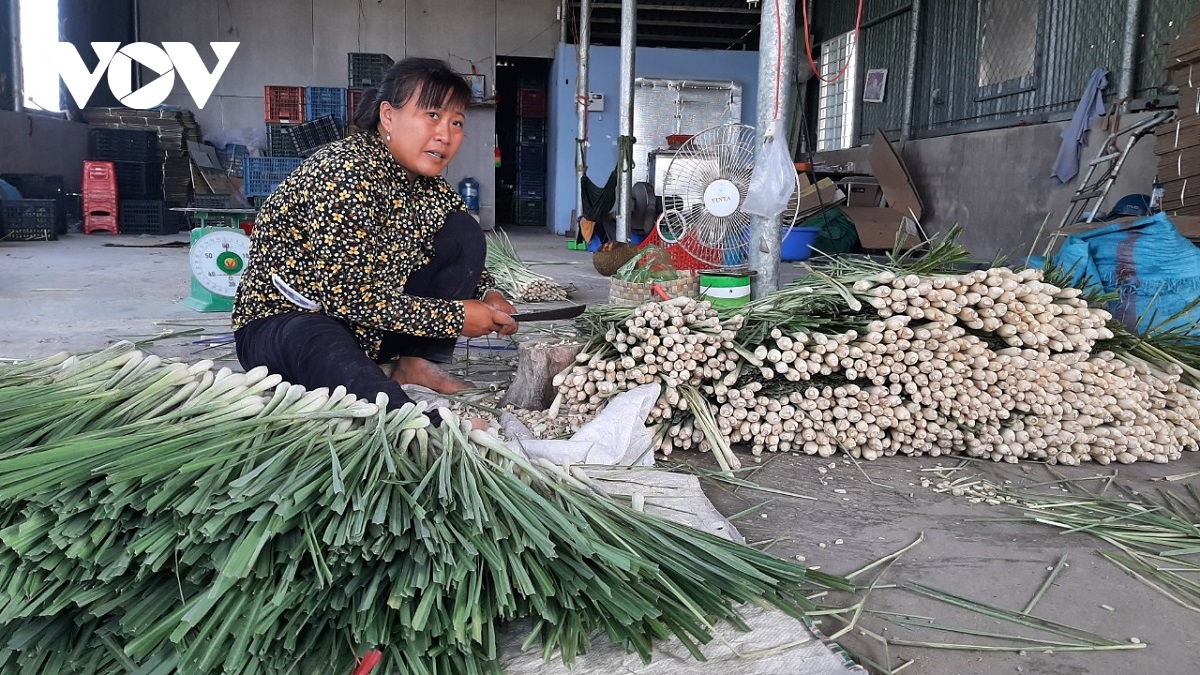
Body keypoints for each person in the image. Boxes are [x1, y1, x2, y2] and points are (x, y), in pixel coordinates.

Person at [232, 57, 518, 425]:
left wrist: (488, 295)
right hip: (287, 326)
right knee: (320, 340)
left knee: (462, 232)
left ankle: (414, 363)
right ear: (388, 116)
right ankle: (411, 423)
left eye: (457, 122)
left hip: (367, 329)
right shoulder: (345, 172)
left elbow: (461, 257)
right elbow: (345, 297)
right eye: (432, 115)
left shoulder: (431, 188)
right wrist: (456, 317)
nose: (445, 134)